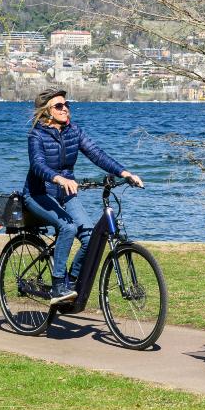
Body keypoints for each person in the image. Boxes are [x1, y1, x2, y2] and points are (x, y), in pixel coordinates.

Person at [22, 87, 143, 305]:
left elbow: (97, 154)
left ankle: (71, 282)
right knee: (68, 227)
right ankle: (58, 285)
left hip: (66, 195)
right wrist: (58, 179)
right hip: (38, 194)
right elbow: (37, 165)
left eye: (66, 104)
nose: (65, 109)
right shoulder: (36, 134)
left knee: (90, 238)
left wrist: (124, 173)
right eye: (59, 106)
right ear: (47, 110)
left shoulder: (73, 131)